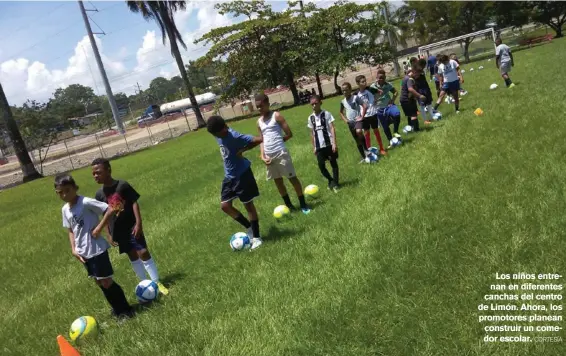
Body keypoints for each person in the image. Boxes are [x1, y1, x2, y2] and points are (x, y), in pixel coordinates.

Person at [56, 174, 134, 318]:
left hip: (96, 249)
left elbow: (110, 209)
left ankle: (126, 310)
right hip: (83, 251)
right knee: (99, 282)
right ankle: (116, 309)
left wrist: (99, 228)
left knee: (106, 281)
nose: (65, 194)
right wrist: (73, 249)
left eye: (68, 190)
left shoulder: (85, 202)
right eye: (61, 192)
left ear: (75, 188)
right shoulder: (65, 209)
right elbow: (70, 229)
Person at [91, 158, 169, 295]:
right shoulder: (99, 194)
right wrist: (108, 234)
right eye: (93, 174)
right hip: (118, 231)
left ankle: (156, 282)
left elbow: (134, 203)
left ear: (109, 170)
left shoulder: (122, 185)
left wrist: (138, 223)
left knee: (143, 252)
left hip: (132, 226)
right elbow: (104, 215)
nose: (96, 176)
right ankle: (144, 285)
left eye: (98, 172)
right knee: (132, 255)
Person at [206, 115, 264, 250]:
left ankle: (257, 238)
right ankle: (249, 227)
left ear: (223, 129)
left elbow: (258, 139)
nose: (216, 136)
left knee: (248, 206)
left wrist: (243, 150)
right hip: (229, 176)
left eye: (217, 133)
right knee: (225, 206)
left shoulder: (234, 136)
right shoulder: (218, 133)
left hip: (242, 175)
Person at [255, 94, 311, 214]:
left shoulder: (277, 116)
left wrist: (280, 142)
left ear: (267, 104)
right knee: (278, 182)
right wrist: (262, 155)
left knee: (292, 178)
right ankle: (289, 206)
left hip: (281, 153)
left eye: (261, 106)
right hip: (269, 157)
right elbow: (261, 140)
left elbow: (289, 133)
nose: (259, 109)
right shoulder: (259, 122)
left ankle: (303, 205)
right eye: (257, 107)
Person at [308, 95, 340, 192]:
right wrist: (314, 147)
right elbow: (312, 133)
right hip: (319, 146)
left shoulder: (326, 114)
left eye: (315, 103)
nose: (314, 106)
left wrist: (334, 143)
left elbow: (332, 128)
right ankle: (330, 180)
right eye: (312, 104)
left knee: (333, 163)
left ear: (320, 103)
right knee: (321, 166)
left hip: (329, 144)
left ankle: (336, 183)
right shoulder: (310, 118)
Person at [355, 74, 386, 155]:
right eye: (362, 82)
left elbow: (380, 92)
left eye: (365, 81)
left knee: (376, 131)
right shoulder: (356, 94)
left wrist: (376, 99)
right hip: (364, 116)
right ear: (358, 83)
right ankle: (369, 150)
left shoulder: (370, 89)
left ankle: (382, 148)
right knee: (366, 133)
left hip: (373, 114)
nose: (365, 83)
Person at [339, 82, 368, 163]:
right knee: (357, 140)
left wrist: (362, 116)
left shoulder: (355, 98)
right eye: (343, 90)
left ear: (350, 89)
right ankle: (363, 157)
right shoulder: (343, 101)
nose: (344, 92)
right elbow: (341, 112)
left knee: (359, 132)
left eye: (346, 90)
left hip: (358, 120)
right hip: (350, 123)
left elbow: (364, 105)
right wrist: (346, 120)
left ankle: (366, 149)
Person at [371, 74, 402, 145]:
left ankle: (396, 131)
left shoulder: (388, 85)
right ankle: (391, 141)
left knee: (397, 114)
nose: (381, 79)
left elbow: (396, 92)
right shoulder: (372, 86)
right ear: (376, 78)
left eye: (382, 78)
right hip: (379, 108)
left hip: (389, 106)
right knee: (385, 126)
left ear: (385, 78)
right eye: (379, 78)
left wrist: (392, 100)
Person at [416, 59, 435, 124]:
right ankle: (425, 120)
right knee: (422, 105)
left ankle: (432, 116)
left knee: (429, 102)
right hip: (420, 89)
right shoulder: (416, 70)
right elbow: (414, 78)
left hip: (425, 88)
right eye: (424, 65)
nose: (424, 66)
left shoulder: (421, 70)